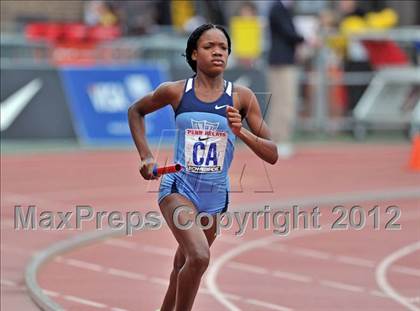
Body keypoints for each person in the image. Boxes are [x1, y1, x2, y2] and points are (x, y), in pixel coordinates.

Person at [128, 23, 278, 311]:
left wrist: (242, 132)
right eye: (209, 47)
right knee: (199, 256)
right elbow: (136, 111)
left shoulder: (242, 97)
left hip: (215, 198)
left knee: (183, 265)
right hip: (178, 188)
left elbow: (272, 153)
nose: (217, 52)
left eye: (223, 48)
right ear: (195, 54)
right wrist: (146, 156)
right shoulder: (176, 92)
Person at [267, 0, 304, 158]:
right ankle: (280, 139)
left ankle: (277, 139)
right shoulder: (278, 8)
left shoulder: (282, 8)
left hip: (279, 61)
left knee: (279, 102)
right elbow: (289, 33)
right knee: (285, 101)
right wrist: (304, 38)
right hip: (283, 63)